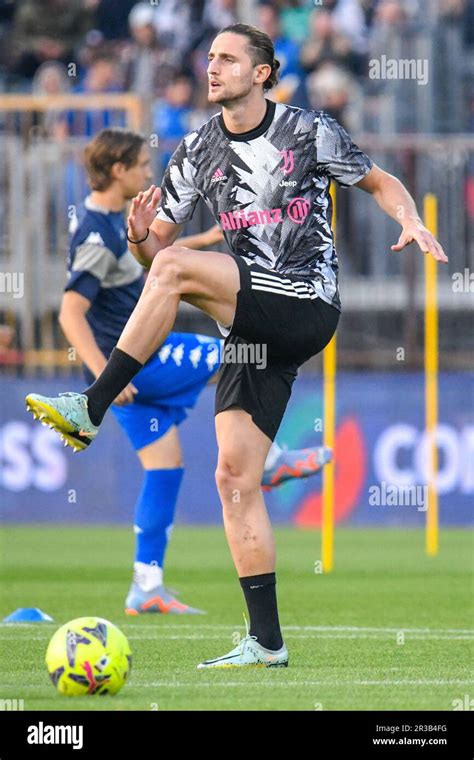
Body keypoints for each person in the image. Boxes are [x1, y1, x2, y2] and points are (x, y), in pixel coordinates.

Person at [26, 24, 447, 668]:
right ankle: (267, 642)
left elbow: (381, 182)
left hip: (306, 301)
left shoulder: (308, 131)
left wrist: (411, 219)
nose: (213, 66)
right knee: (234, 478)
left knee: (175, 274)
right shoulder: (197, 148)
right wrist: (140, 235)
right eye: (210, 57)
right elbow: (156, 251)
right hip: (250, 333)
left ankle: (92, 406)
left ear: (262, 72)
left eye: (227, 58)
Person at [31, 126, 331, 617]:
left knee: (165, 470)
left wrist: (202, 240)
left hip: (130, 376)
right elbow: (69, 311)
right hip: (134, 363)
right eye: (142, 166)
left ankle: (145, 587)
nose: (150, 172)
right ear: (117, 171)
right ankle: (270, 458)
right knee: (235, 352)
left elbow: (145, 264)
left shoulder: (115, 223)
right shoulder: (93, 231)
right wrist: (104, 370)